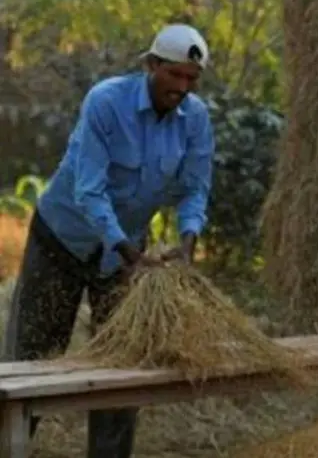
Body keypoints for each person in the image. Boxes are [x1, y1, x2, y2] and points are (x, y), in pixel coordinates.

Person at [2, 23, 215, 458]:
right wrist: (127, 251)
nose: (182, 87)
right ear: (151, 65)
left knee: (123, 363)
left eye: (191, 80)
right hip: (62, 241)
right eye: (174, 75)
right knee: (33, 357)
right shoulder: (106, 102)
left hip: (122, 256)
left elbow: (195, 187)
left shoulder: (195, 120)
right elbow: (89, 190)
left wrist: (189, 239)